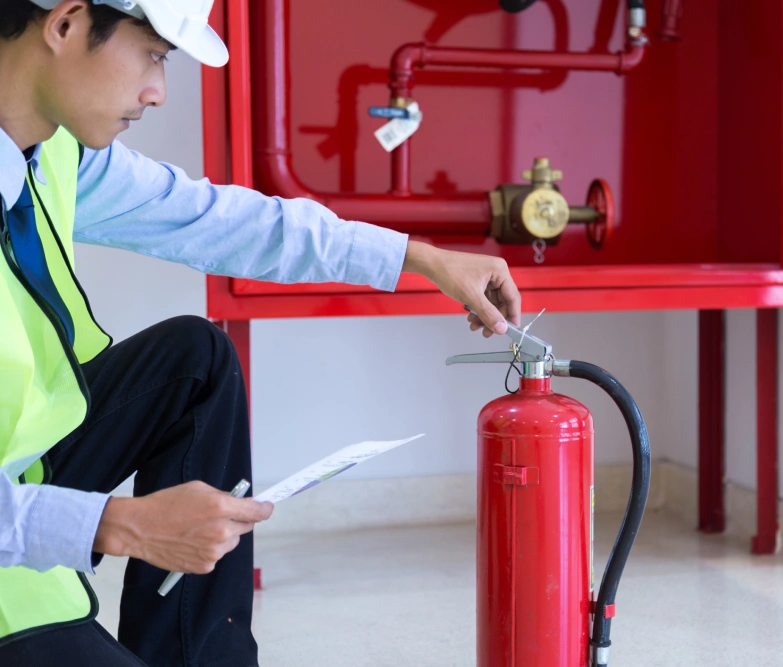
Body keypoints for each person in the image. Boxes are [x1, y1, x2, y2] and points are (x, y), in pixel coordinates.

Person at [0, 1, 521, 665]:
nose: (159, 90)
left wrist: (419, 257)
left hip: (25, 465)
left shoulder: (53, 153)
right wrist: (119, 524)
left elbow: (224, 221)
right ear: (66, 23)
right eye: (154, 54)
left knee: (195, 359)